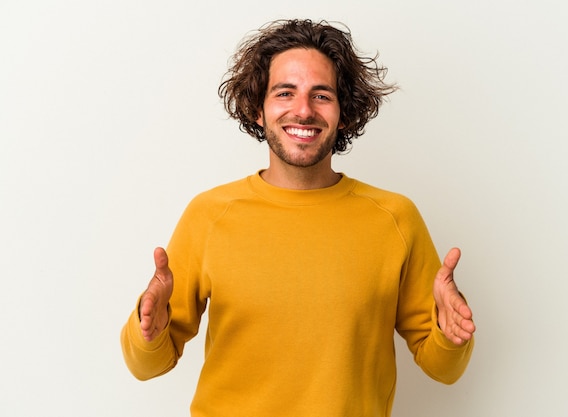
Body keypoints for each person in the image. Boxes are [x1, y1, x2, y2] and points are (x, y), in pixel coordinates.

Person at [121, 18, 475, 417]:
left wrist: (449, 333)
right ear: (259, 109)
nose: (303, 110)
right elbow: (147, 365)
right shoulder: (209, 215)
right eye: (285, 92)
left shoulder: (395, 218)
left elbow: (443, 369)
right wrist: (150, 325)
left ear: (344, 113)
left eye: (321, 95)